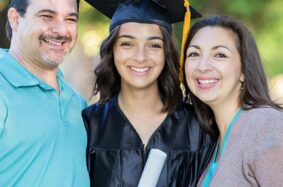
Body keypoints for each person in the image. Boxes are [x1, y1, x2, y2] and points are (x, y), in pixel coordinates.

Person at [82, 0, 216, 186]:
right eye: (127, 44)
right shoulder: (89, 126)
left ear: (166, 53)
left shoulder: (197, 127)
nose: (140, 57)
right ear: (112, 50)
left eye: (154, 45)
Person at [183, 15, 283, 186]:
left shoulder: (265, 124)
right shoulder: (213, 141)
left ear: (244, 70)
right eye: (194, 54)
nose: (202, 66)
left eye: (220, 55)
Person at [0, 0, 90, 186]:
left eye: (70, 19)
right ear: (15, 19)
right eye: (47, 16)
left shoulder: (77, 102)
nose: (61, 30)